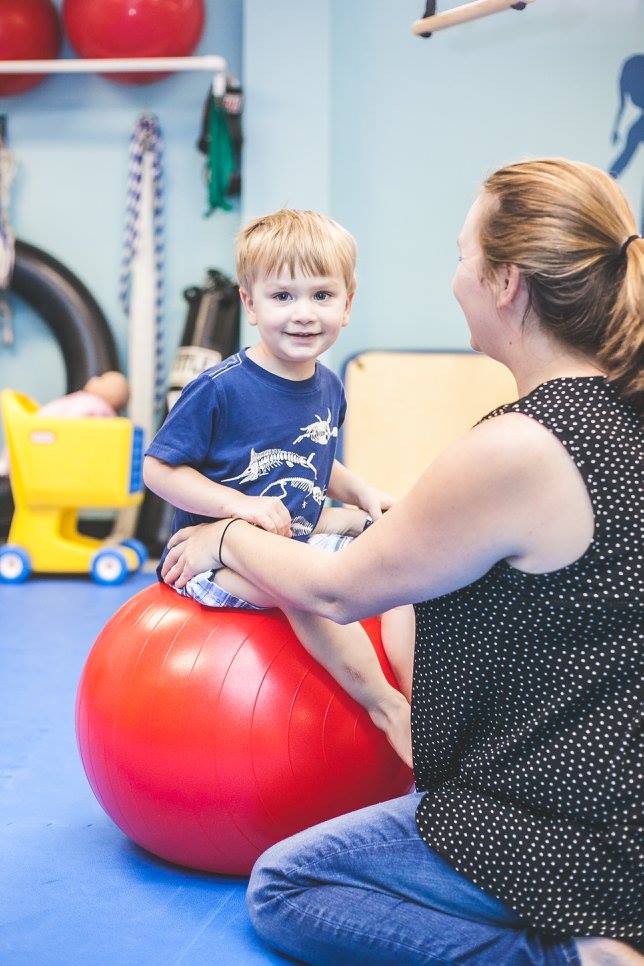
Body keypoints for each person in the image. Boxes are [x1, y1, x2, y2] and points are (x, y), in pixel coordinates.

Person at [160, 159, 642, 965]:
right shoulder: (619, 408)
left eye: (461, 256)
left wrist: (225, 536)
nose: (453, 278)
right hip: (608, 795)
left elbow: (341, 591)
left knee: (284, 887)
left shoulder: (525, 443)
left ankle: (570, 957)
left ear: (506, 284)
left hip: (566, 823)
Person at [143, 209, 416, 766]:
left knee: (400, 572)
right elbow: (159, 470)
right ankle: (386, 707)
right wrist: (237, 506)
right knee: (303, 591)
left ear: (348, 301)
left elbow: (316, 455)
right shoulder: (220, 389)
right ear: (249, 303)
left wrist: (362, 491)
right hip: (210, 564)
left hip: (297, 541)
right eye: (283, 297)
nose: (304, 314)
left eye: (321, 295)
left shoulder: (329, 386)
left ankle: (422, 699)